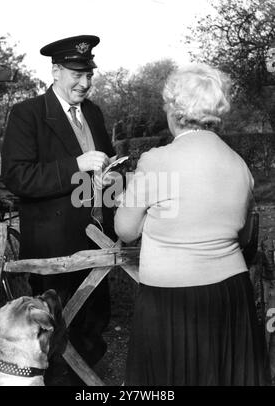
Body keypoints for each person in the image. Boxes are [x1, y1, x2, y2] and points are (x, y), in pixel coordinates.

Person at [114, 63, 270, 386]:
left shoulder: (156, 161)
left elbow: (125, 230)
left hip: (169, 302)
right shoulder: (239, 165)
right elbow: (242, 237)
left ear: (174, 112)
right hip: (231, 297)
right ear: (216, 114)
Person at [1, 35, 116, 385]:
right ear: (55, 71)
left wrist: (112, 178)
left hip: (100, 242)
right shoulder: (27, 114)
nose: (85, 83)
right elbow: (17, 177)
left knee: (93, 327)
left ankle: (87, 383)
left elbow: (103, 167)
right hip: (54, 250)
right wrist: (75, 166)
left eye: (89, 75)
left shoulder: (94, 112)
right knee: (54, 335)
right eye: (76, 74)